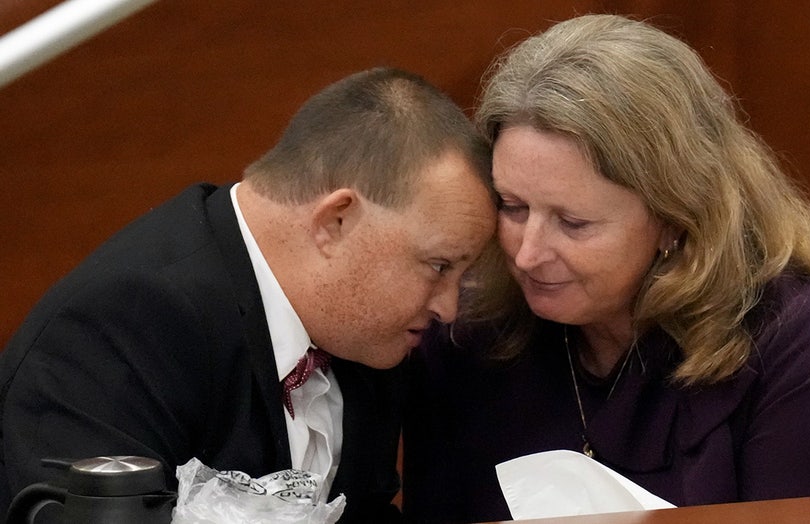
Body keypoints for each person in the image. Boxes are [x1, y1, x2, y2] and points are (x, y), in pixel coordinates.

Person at [402, 14, 810, 523]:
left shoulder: (800, 342)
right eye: (512, 207)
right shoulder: (468, 330)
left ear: (673, 218)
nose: (527, 254)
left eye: (573, 223)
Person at [0, 67, 497, 522]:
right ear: (336, 220)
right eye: (438, 266)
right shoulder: (125, 321)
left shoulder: (362, 332)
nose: (447, 306)